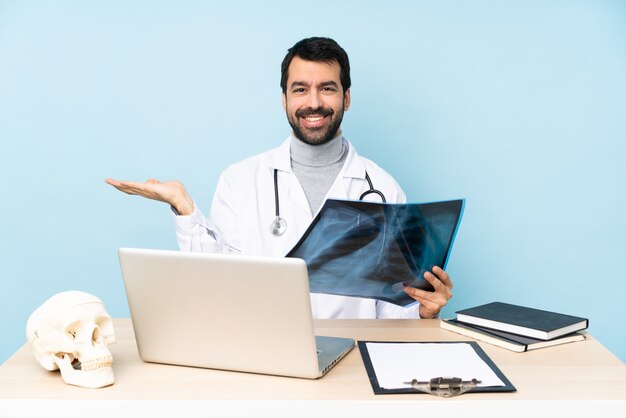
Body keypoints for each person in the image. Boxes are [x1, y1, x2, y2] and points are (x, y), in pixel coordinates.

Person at [106, 37, 453, 319]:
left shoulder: (384, 189)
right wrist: (184, 208)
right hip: (267, 356)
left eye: (327, 89)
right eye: (300, 89)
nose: (313, 102)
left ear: (346, 98)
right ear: (284, 99)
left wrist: (424, 310)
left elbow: (395, 309)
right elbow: (217, 280)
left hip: (354, 360)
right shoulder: (240, 180)